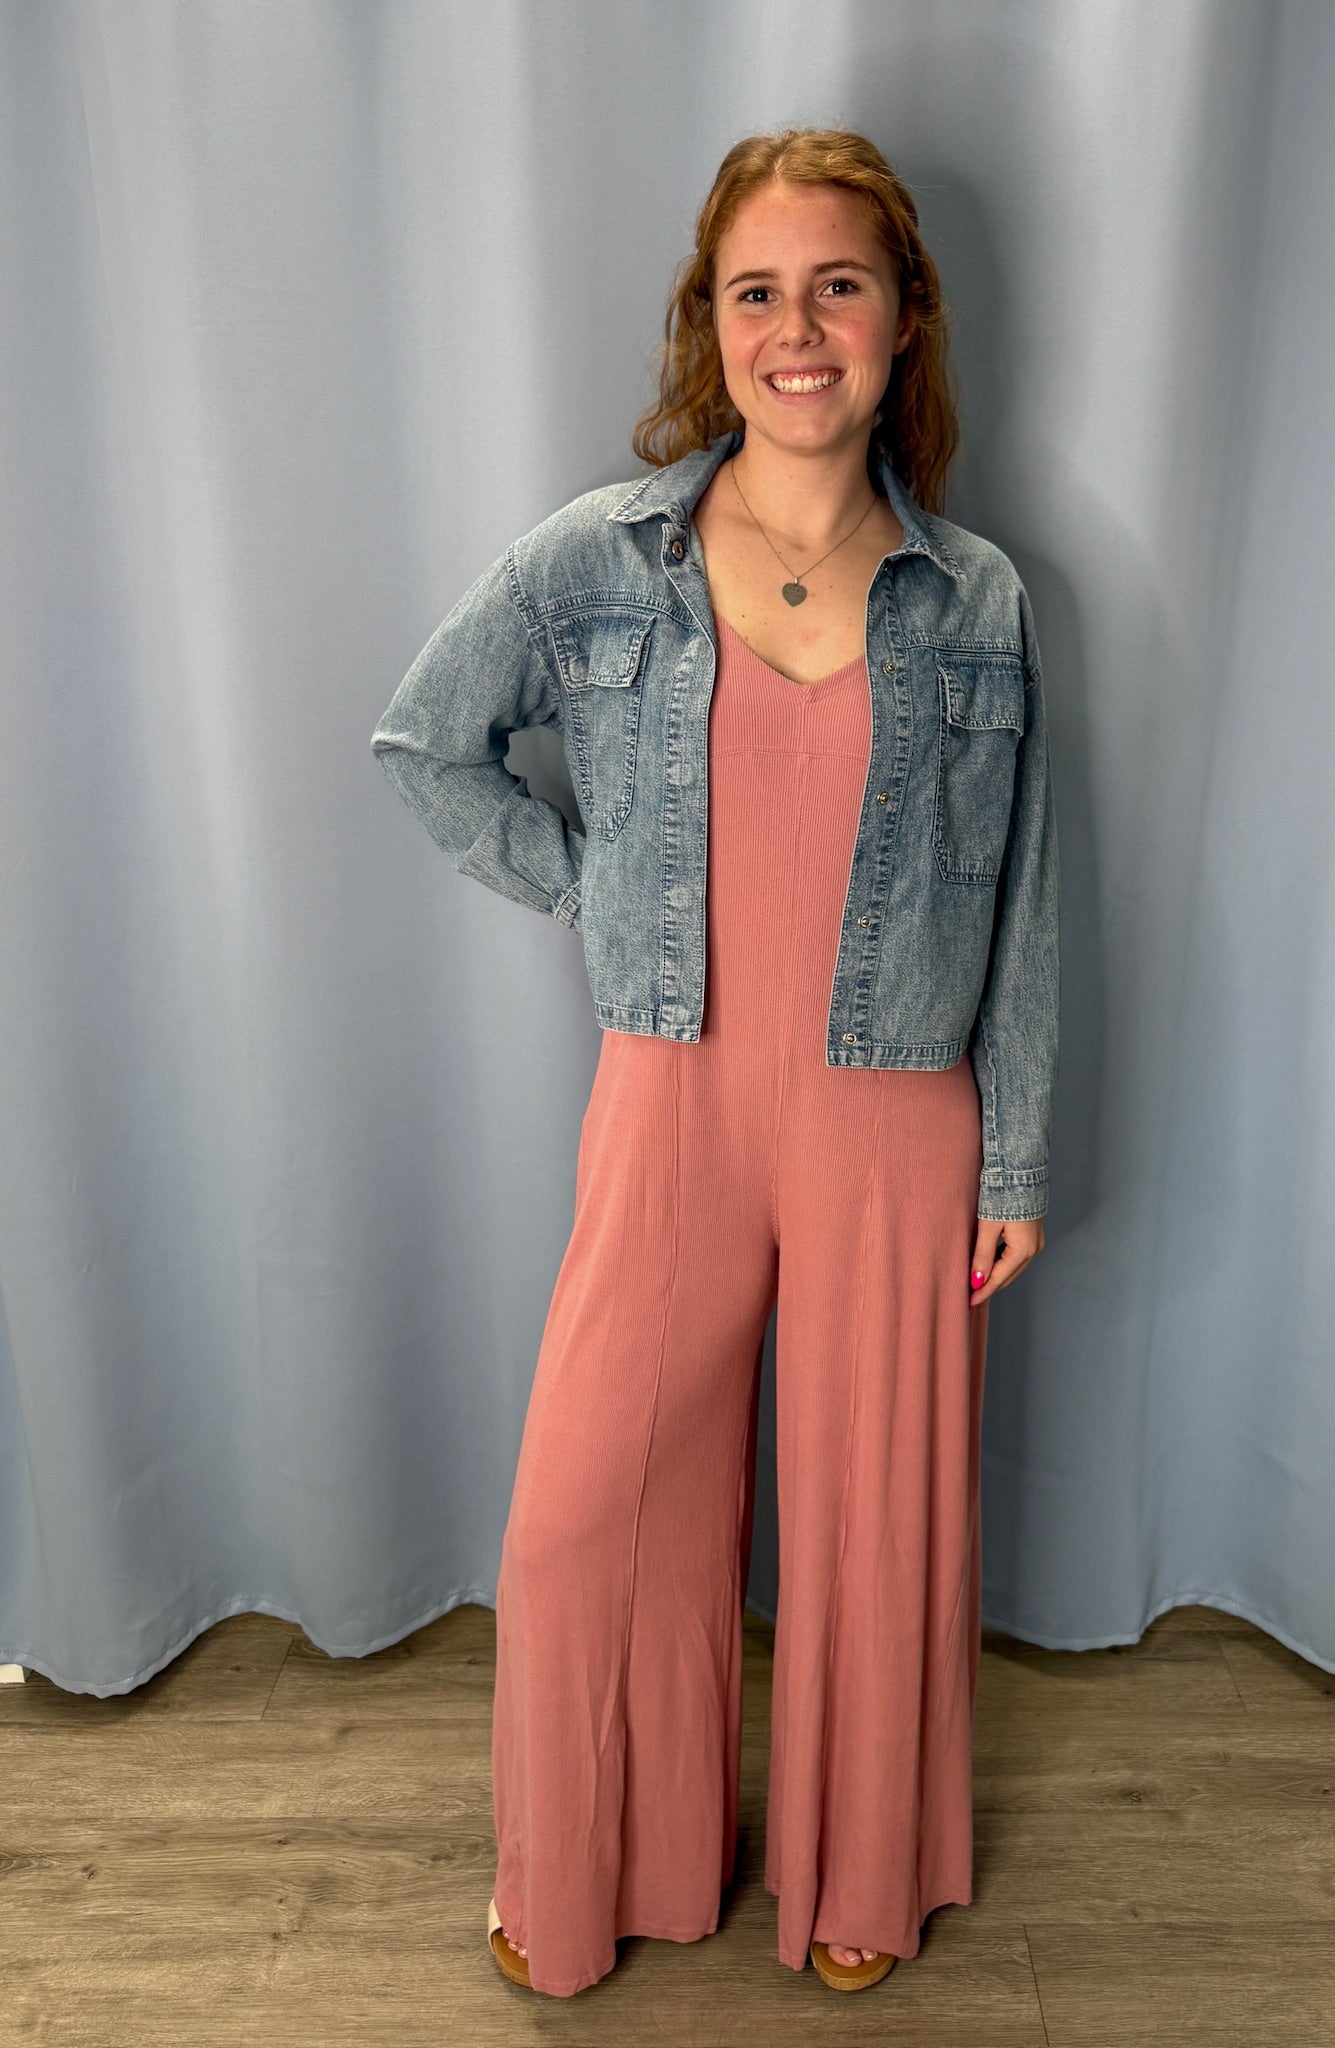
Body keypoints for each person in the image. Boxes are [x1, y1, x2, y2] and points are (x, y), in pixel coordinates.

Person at [371, 124, 1059, 2000]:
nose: (800, 326)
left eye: (841, 283)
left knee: (874, 1531)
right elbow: (427, 747)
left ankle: (857, 1882)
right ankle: (603, 1862)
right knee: (598, 1500)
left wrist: (1012, 1160)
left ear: (902, 318)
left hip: (892, 1114)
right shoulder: (603, 560)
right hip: (672, 1099)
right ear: (714, 322)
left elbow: (1028, 903)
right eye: (758, 290)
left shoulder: (978, 600)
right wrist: (591, 888)